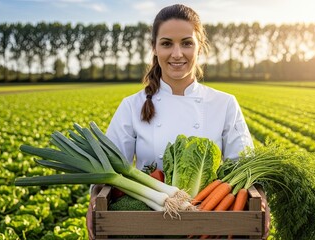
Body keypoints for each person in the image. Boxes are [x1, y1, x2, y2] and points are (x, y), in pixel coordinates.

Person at [86, 4, 269, 239]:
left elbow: (244, 167)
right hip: (146, 226)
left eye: (186, 42)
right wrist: (95, 199)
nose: (177, 53)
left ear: (199, 45)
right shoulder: (131, 106)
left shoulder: (224, 104)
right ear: (154, 48)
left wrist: (260, 198)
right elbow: (108, 169)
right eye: (166, 43)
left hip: (211, 226)